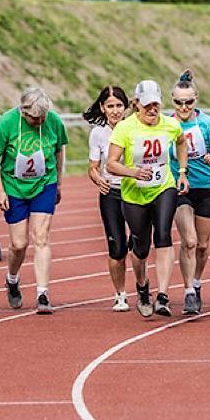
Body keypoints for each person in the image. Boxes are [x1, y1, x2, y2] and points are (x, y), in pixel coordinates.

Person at [106, 80, 188, 318]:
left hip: (164, 186)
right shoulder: (125, 128)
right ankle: (142, 286)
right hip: (134, 192)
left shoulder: (170, 125)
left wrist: (182, 171)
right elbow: (110, 164)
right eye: (147, 106)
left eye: (156, 105)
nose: (152, 110)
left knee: (163, 235)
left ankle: (162, 295)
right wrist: (132, 172)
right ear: (136, 105)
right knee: (140, 247)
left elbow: (181, 142)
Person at [0, 87, 68, 314]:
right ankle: (12, 279)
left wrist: (58, 182)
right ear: (23, 112)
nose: (39, 121)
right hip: (14, 186)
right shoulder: (6, 123)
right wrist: (0, 191)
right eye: (34, 118)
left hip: (44, 183)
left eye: (42, 117)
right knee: (19, 244)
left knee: (41, 237)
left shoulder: (53, 121)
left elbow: (59, 150)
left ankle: (43, 293)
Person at [168, 71, 210, 315]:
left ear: (196, 100)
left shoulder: (206, 123)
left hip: (205, 187)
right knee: (189, 241)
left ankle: (197, 281)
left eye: (189, 102)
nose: (183, 107)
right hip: (179, 188)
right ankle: (188, 293)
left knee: (202, 245)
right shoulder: (168, 124)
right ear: (172, 101)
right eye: (178, 102)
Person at [86, 86, 137, 312]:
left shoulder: (136, 127)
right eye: (110, 106)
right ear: (102, 108)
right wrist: (98, 179)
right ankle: (120, 295)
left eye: (119, 106)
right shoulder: (98, 133)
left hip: (137, 192)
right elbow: (93, 167)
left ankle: (143, 288)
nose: (115, 111)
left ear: (126, 107)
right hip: (112, 193)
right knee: (117, 247)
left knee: (138, 244)